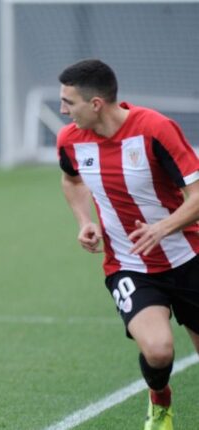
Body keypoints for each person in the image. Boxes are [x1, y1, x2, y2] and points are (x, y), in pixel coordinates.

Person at [58, 59, 199, 430]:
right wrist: (84, 221)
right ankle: (160, 401)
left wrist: (162, 228)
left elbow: (197, 194)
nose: (62, 110)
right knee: (157, 350)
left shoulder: (155, 129)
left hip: (189, 258)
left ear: (96, 104)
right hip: (129, 265)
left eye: (68, 102)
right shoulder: (70, 140)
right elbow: (72, 180)